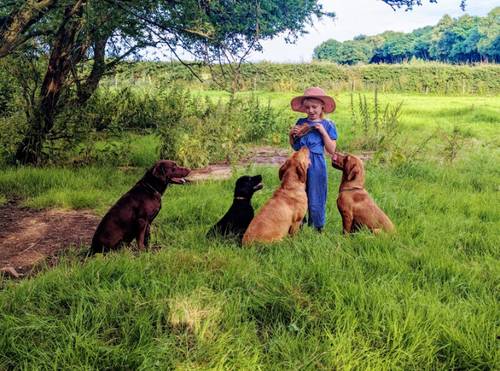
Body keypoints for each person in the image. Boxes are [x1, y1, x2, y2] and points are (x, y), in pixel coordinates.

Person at [288, 87, 338, 232]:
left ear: (322, 106)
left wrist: (322, 132)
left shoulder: (328, 125)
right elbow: (296, 146)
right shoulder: (301, 122)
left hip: (316, 163)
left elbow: (332, 149)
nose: (311, 110)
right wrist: (291, 135)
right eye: (307, 107)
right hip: (300, 161)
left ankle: (317, 227)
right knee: (298, 192)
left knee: (317, 194)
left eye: (314, 107)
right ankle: (299, 224)